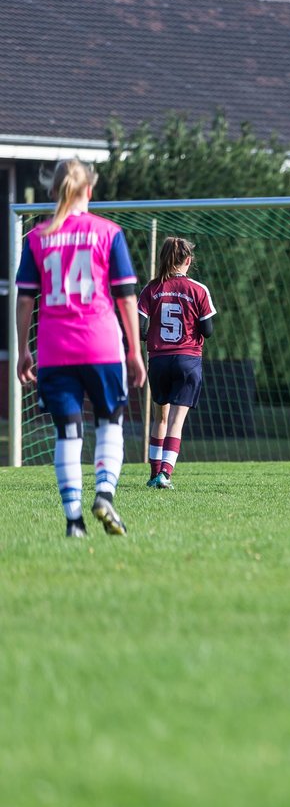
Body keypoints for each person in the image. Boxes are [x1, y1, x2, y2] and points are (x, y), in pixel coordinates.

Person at [14, 159, 145, 537]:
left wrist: (24, 349)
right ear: (90, 190)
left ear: (53, 192)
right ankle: (105, 494)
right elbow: (125, 297)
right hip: (102, 346)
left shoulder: (37, 238)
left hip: (55, 351)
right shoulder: (108, 233)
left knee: (67, 434)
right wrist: (134, 351)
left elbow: (25, 300)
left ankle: (74, 522)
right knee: (110, 424)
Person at [137, 237, 217, 489]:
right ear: (188, 260)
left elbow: (140, 329)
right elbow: (208, 329)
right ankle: (166, 474)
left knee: (160, 418)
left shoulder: (150, 289)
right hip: (187, 359)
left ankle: (153, 473)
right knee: (176, 420)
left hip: (159, 360)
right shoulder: (199, 289)